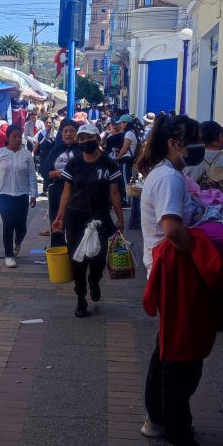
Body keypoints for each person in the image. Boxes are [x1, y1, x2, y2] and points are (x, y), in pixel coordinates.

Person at [138, 113, 223, 446]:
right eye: (193, 140)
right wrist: (206, 255)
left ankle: (157, 419)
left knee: (167, 349)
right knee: (182, 359)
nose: (199, 147)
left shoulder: (166, 174)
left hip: (172, 271)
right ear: (175, 144)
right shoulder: (169, 179)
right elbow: (173, 229)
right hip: (175, 273)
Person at [52, 123, 124, 316]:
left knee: (97, 259)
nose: (84, 142)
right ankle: (80, 298)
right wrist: (59, 217)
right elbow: (66, 193)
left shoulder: (109, 165)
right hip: (75, 217)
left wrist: (120, 219)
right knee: (77, 259)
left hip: (100, 217)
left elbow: (115, 194)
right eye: (81, 138)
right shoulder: (73, 164)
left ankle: (94, 279)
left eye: (88, 138)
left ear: (98, 140)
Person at [0, 124, 38, 268]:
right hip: (4, 194)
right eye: (14, 136)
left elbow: (31, 175)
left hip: (22, 194)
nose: (17, 139)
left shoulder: (26, 154)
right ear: (8, 137)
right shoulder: (0, 154)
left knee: (21, 226)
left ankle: (17, 243)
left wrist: (34, 194)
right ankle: (8, 255)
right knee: (8, 224)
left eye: (19, 136)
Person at [41, 119, 79, 246]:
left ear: (77, 134)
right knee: (56, 221)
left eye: (72, 131)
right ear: (61, 134)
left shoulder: (81, 152)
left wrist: (60, 174)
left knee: (74, 223)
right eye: (65, 131)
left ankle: (74, 254)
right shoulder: (55, 151)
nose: (68, 134)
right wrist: (58, 174)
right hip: (56, 191)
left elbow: (81, 173)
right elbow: (46, 172)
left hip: (76, 192)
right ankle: (58, 253)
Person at [114, 114, 140, 207]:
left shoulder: (128, 133)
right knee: (126, 179)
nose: (120, 125)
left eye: (121, 123)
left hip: (125, 159)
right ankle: (127, 199)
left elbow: (125, 148)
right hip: (129, 159)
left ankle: (128, 200)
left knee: (125, 180)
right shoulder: (132, 132)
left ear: (125, 123)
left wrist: (117, 158)